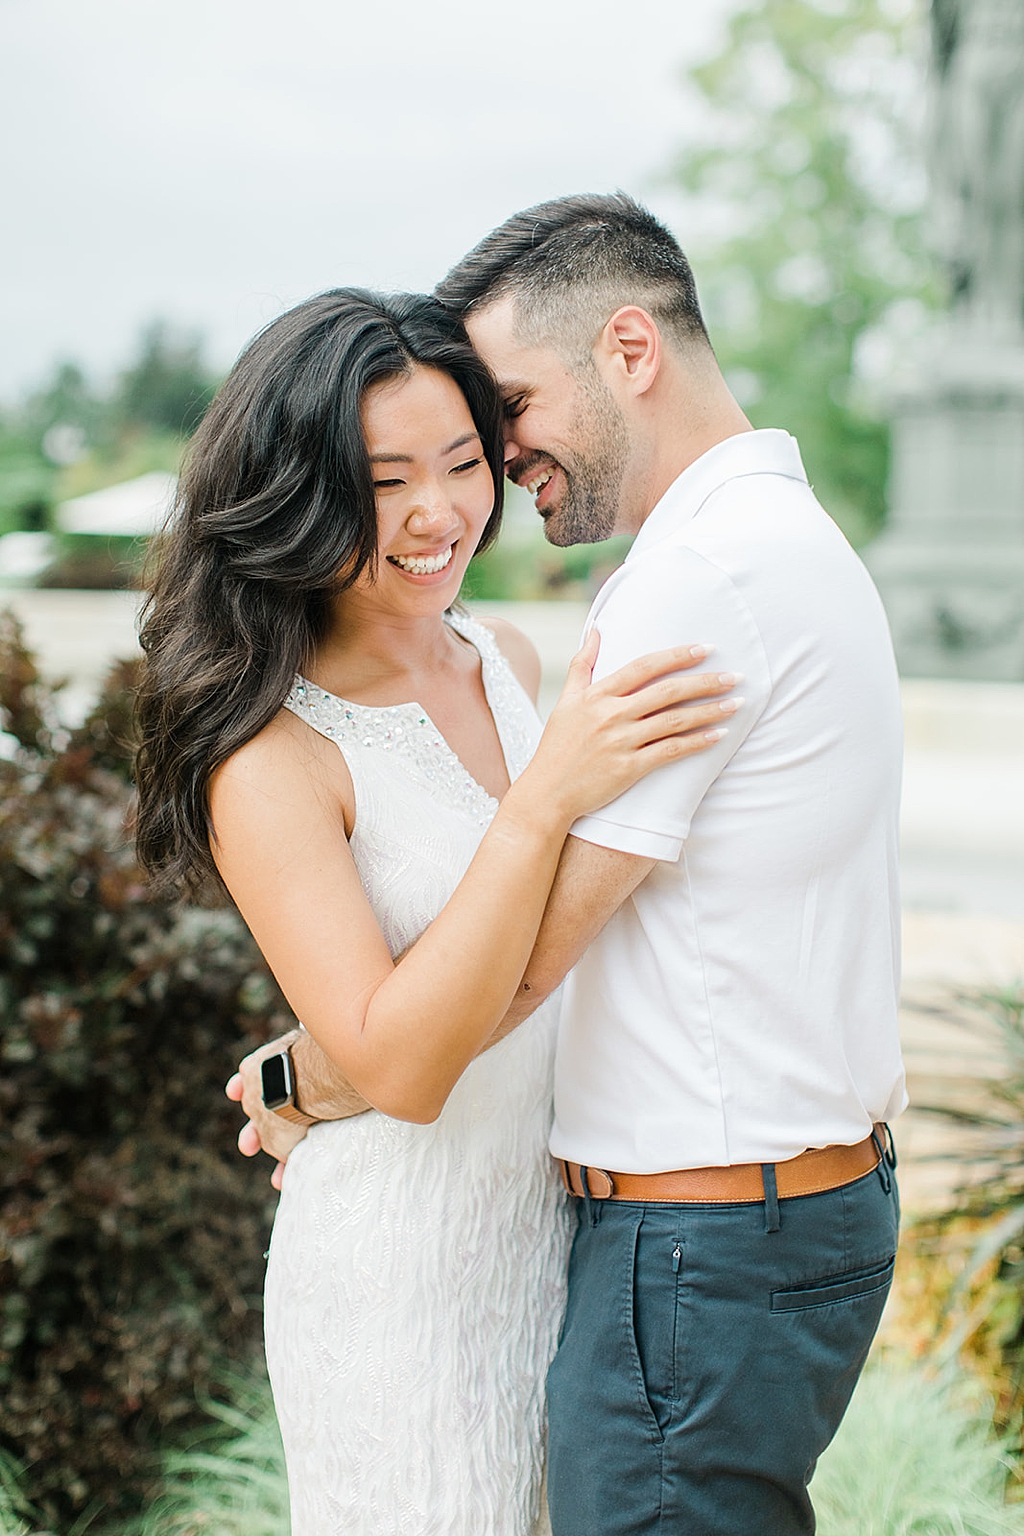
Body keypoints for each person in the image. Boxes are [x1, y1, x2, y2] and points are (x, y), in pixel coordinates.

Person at [237, 194, 907, 1536]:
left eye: (497, 425)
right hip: (500, 1245)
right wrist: (343, 1052)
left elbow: (531, 956)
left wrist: (307, 1070)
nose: (484, 476)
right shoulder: (780, 539)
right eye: (386, 477)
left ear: (630, 349)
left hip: (673, 1241)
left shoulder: (666, 596)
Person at [133, 287, 736, 1536]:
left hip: (566, 1240)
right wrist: (542, 801)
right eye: (382, 479)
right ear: (295, 492)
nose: (437, 513)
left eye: (464, 462)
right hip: (402, 1276)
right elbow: (402, 1067)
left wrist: (304, 1071)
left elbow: (560, 945)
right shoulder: (275, 757)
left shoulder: (511, 662)